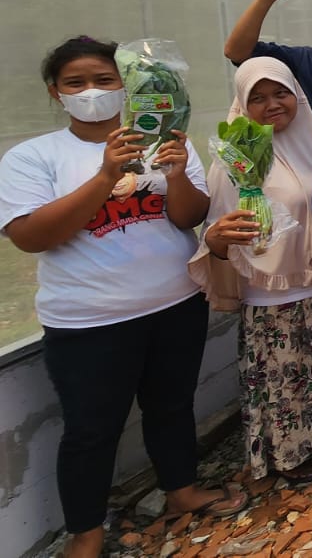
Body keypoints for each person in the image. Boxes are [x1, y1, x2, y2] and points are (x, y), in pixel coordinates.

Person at [1, 37, 245, 558]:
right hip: (89, 322)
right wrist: (105, 176)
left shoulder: (164, 140)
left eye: (104, 80)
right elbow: (32, 236)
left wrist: (176, 172)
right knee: (91, 429)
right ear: (56, 92)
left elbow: (188, 217)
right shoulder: (34, 156)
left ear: (126, 86)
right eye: (76, 83)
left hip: (175, 304)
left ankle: (181, 490)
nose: (92, 91)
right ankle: (86, 533)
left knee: (171, 406)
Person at [189, 58, 312, 484]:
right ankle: (292, 454)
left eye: (280, 93)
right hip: (274, 293)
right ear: (242, 104)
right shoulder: (235, 160)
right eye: (257, 98)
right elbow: (218, 229)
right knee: (287, 372)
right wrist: (222, 238)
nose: (272, 104)